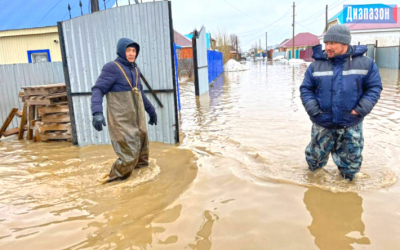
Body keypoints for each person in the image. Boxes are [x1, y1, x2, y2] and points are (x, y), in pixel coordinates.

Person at [300, 25, 382, 181]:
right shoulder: (316, 66)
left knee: (350, 170)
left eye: (332, 43)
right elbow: (306, 89)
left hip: (350, 124)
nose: (328, 47)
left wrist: (360, 110)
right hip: (322, 123)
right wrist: (313, 110)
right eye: (326, 43)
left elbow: (374, 88)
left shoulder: (365, 64)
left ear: (345, 44)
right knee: (313, 165)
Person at [91, 38, 157, 183]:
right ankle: (113, 182)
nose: (132, 53)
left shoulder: (135, 70)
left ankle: (140, 184)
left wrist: (151, 112)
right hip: (121, 120)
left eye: (134, 50)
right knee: (129, 156)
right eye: (128, 50)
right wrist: (97, 112)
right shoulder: (111, 68)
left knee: (142, 154)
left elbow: (140, 94)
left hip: (137, 119)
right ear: (121, 51)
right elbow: (98, 89)